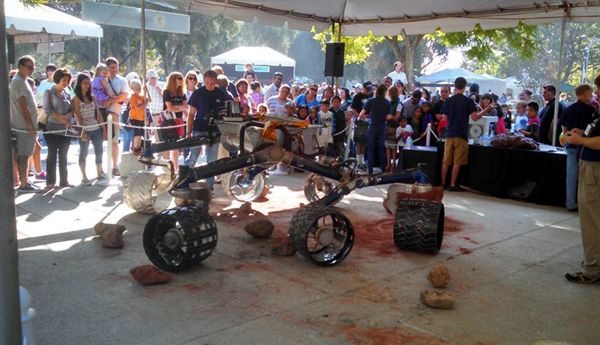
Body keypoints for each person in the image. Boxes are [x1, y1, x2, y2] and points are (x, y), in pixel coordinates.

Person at [563, 75, 600, 284]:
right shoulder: (596, 112)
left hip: (594, 171)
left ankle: (593, 269)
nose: (596, 93)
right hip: (590, 166)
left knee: (591, 221)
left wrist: (581, 140)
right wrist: (581, 133)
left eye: (599, 88)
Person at [185, 70, 232, 190]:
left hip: (215, 131)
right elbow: (191, 114)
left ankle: (209, 187)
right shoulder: (197, 93)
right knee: (193, 156)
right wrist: (188, 132)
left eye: (212, 82)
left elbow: (229, 109)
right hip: (199, 128)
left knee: (211, 161)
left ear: (216, 82)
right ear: (204, 81)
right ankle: (184, 181)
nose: (209, 85)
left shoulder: (221, 94)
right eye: (207, 82)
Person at [440, 77, 485, 191]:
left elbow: (444, 117)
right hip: (461, 134)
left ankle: (443, 183)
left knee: (446, 161)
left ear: (454, 86)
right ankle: (453, 185)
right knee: (457, 162)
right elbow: (475, 117)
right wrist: (486, 110)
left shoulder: (449, 101)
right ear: (465, 87)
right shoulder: (468, 101)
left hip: (449, 134)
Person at [561, 84, 596, 212]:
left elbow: (564, 129)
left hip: (570, 144)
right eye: (590, 94)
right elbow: (591, 130)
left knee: (571, 175)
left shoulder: (568, 109)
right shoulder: (591, 110)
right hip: (585, 146)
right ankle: (584, 203)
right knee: (585, 177)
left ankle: (570, 202)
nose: (592, 96)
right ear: (583, 95)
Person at [10, 55, 41, 192]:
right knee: (24, 154)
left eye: (33, 67)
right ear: (21, 67)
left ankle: (25, 181)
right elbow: (23, 105)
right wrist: (30, 125)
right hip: (23, 126)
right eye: (29, 67)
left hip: (26, 125)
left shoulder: (23, 80)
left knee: (27, 153)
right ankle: (23, 183)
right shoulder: (18, 82)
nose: (31, 70)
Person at [43, 67, 75, 189]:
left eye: (68, 80)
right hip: (52, 128)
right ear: (58, 79)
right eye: (64, 80)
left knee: (64, 155)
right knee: (52, 154)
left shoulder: (67, 93)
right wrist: (61, 119)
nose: (66, 82)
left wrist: (68, 116)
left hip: (66, 129)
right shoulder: (49, 93)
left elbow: (72, 109)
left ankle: (64, 181)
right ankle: (50, 182)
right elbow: (47, 110)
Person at [73, 73, 105, 185]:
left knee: (99, 151)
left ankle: (99, 171)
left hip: (96, 128)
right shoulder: (76, 99)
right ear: (79, 84)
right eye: (84, 83)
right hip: (84, 129)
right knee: (83, 153)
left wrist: (103, 128)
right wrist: (82, 131)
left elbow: (98, 114)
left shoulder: (93, 97)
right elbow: (77, 116)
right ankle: (84, 176)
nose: (87, 86)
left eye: (88, 83)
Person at [103, 57, 129, 176]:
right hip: (101, 114)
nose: (113, 70)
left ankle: (114, 166)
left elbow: (124, 97)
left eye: (115, 67)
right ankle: (102, 167)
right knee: (101, 142)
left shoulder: (122, 80)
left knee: (114, 141)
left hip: (114, 114)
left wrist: (110, 100)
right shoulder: (102, 79)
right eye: (111, 67)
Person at [359, 85, 390, 174]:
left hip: (372, 126)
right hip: (382, 127)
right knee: (381, 148)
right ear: (384, 92)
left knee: (371, 149)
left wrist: (367, 116)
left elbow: (361, 114)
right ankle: (382, 169)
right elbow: (388, 117)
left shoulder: (371, 101)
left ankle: (370, 170)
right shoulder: (387, 102)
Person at [163, 72, 187, 170]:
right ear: (173, 79)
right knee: (167, 143)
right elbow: (169, 107)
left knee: (176, 144)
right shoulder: (167, 91)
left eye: (182, 78)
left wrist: (175, 107)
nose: (181, 80)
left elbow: (185, 106)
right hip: (169, 120)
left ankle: (176, 168)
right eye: (179, 78)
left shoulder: (182, 92)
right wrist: (179, 108)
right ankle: (166, 167)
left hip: (179, 120)